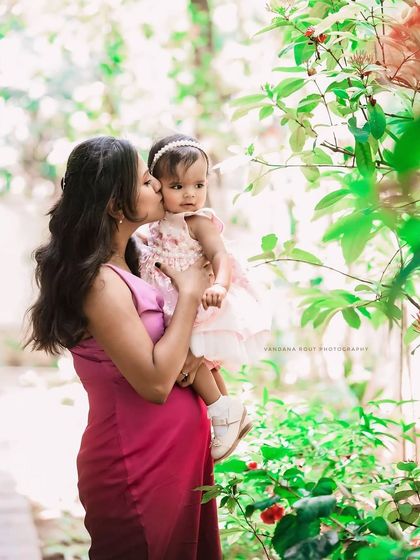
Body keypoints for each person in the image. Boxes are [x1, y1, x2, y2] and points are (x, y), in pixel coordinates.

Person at [25, 136, 223, 560]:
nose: (158, 185)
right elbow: (154, 383)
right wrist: (189, 294)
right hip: (136, 468)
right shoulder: (100, 283)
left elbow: (170, 346)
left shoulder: (134, 263)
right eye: (146, 180)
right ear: (116, 206)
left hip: (174, 461)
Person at [138, 134, 271, 462]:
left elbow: (220, 257)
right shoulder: (153, 227)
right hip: (175, 300)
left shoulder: (199, 222)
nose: (190, 195)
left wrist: (220, 287)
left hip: (200, 301)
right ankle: (227, 414)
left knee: (191, 355)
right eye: (178, 186)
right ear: (158, 186)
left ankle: (221, 410)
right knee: (202, 364)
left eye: (198, 185)